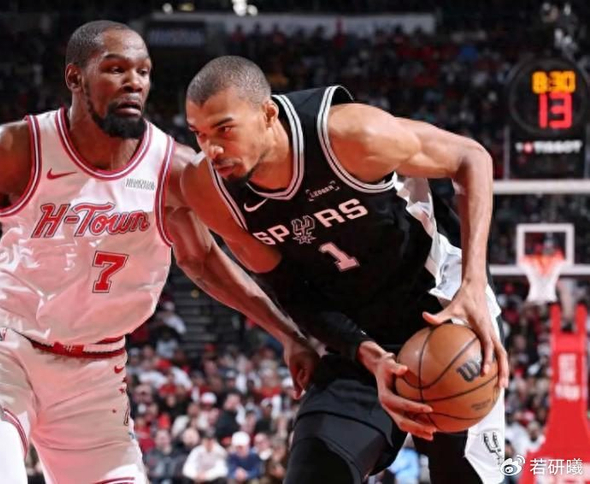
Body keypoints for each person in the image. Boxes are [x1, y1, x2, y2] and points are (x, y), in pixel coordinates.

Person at [0, 25, 318, 484]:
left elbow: (203, 260)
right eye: (115, 69)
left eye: (143, 72)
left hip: (96, 371)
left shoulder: (172, 167)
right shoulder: (17, 148)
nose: (134, 82)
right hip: (6, 345)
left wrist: (286, 333)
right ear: (75, 78)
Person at [182, 56, 510, 483]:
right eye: (199, 134)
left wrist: (474, 283)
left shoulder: (350, 135)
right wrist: (364, 352)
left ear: (268, 114)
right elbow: (291, 290)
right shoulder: (209, 190)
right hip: (357, 335)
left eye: (224, 129)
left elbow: (471, 157)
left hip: (441, 313)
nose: (212, 149)